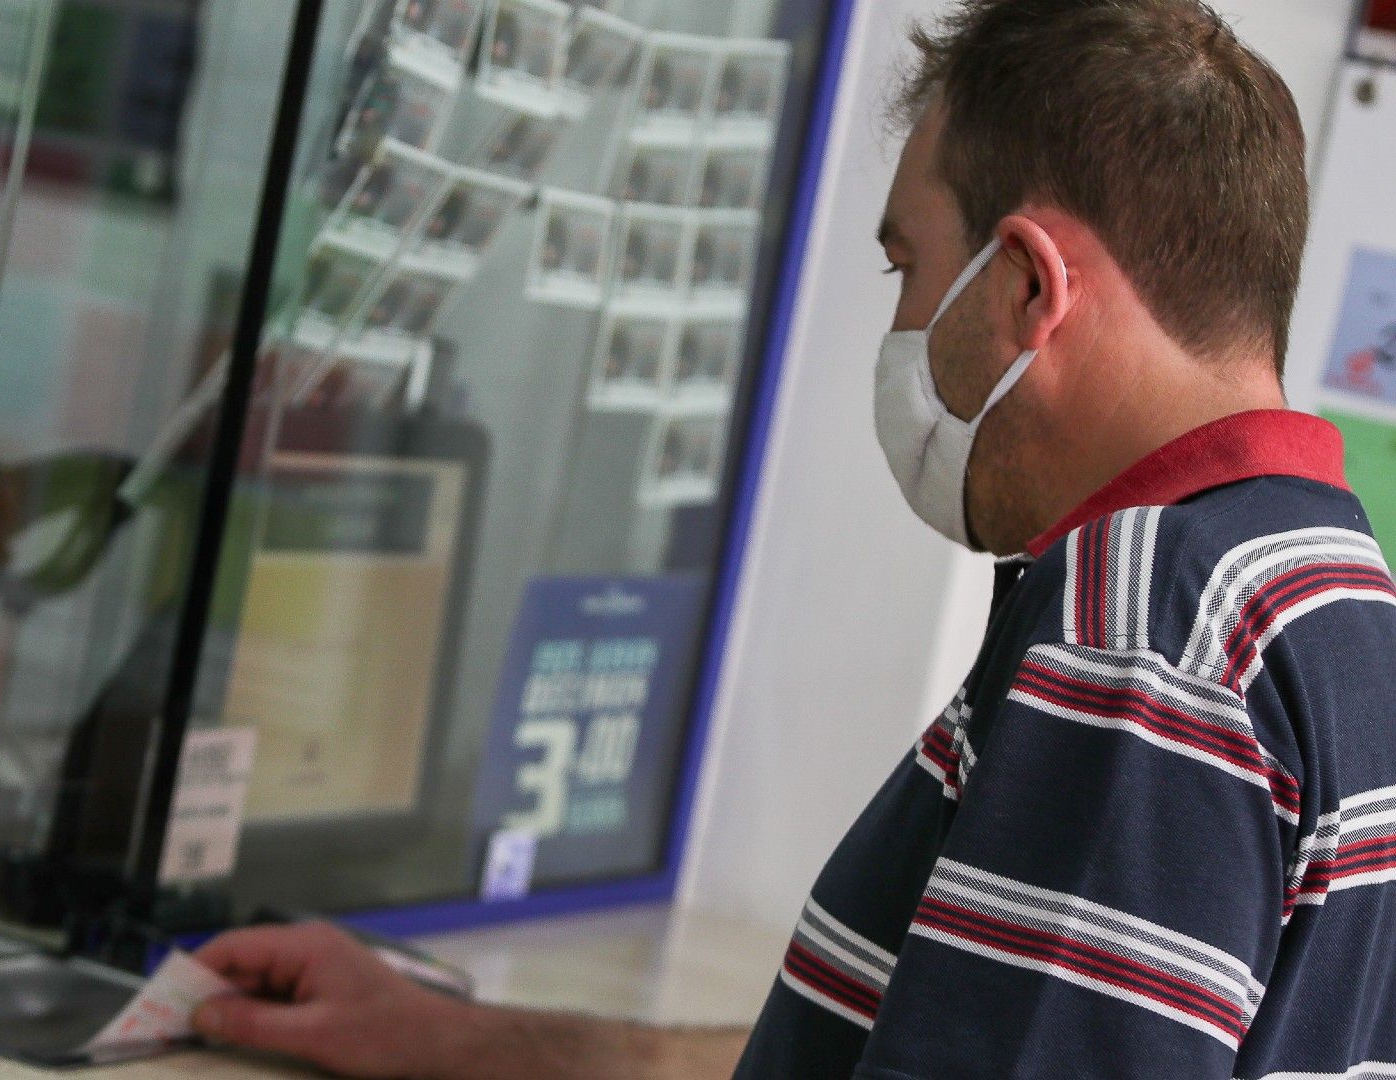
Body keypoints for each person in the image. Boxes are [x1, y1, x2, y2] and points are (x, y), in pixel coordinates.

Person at [192, 1, 1396, 1076]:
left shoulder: (1143, 623)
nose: (902, 322)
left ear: (1029, 287)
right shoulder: (1330, 605)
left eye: (908, 265)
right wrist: (455, 1042)